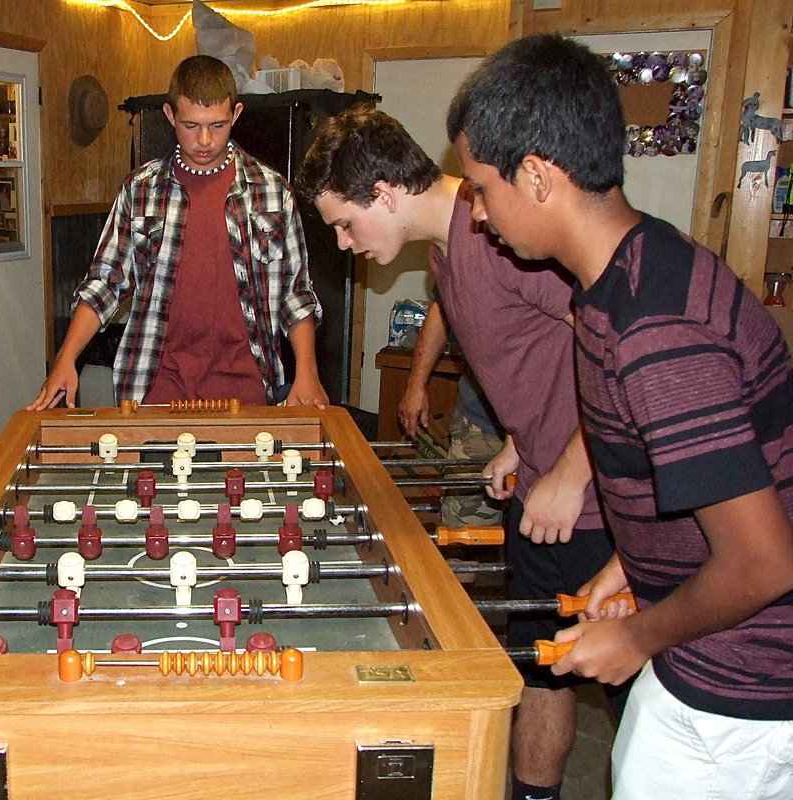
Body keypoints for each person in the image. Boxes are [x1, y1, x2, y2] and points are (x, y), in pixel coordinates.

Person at [446, 32, 793, 800]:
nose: (477, 213)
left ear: (537, 176)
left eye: (482, 188)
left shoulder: (653, 327)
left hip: (745, 685)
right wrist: (632, 566)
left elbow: (765, 561)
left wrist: (636, 636)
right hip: (710, 658)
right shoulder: (621, 278)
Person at [295, 104, 626, 800]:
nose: (345, 243)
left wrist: (572, 469)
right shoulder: (449, 250)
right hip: (541, 487)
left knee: (640, 696)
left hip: (608, 503)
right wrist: (521, 442)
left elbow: (619, 345)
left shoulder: (505, 233)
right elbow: (542, 353)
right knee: (544, 671)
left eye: (345, 223)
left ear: (385, 193)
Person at [27, 54, 326, 410]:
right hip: (155, 388)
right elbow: (105, 283)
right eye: (191, 125)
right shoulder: (141, 190)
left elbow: (295, 293)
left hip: (245, 389)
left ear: (236, 114)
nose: (204, 140)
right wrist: (65, 359)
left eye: (217, 125)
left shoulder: (273, 192)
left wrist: (307, 372)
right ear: (170, 115)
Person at [399, 303, 505, 530]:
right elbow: (442, 308)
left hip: (551, 436)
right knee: (462, 537)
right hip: (480, 425)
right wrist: (416, 385)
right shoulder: (465, 278)